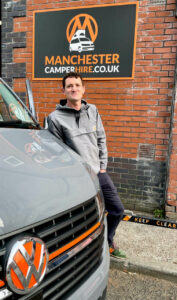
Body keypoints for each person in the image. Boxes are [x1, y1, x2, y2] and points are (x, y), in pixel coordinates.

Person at [47, 72, 126, 258]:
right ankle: (86, 250)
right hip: (77, 178)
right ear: (64, 90)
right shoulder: (55, 118)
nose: (74, 88)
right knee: (82, 218)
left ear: (83, 89)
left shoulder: (93, 110)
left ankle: (107, 240)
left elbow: (101, 139)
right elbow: (59, 152)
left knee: (117, 210)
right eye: (69, 86)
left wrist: (103, 167)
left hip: (98, 172)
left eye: (77, 85)